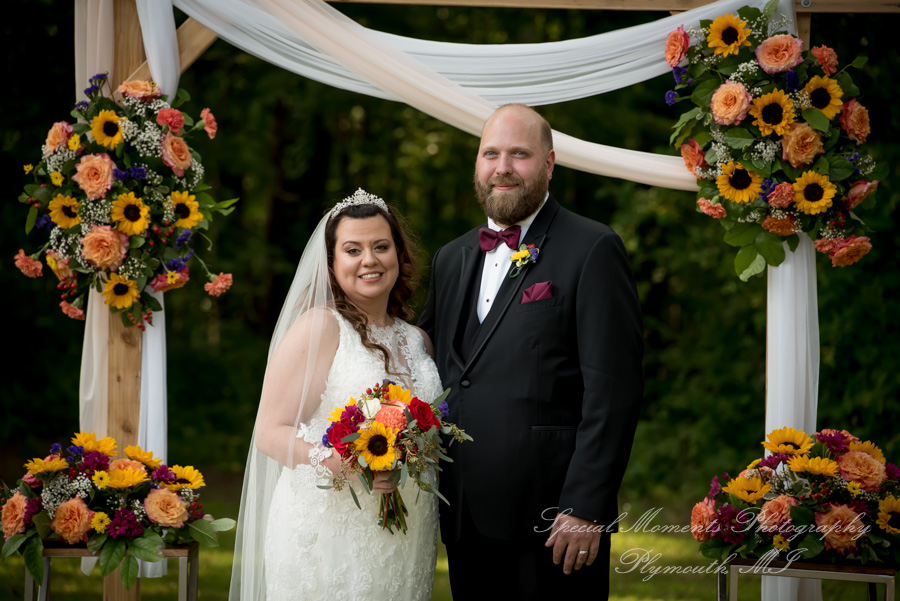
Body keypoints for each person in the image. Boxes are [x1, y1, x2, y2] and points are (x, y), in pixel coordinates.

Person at [419, 104, 643, 599]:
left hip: (554, 522)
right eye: (491, 154)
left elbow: (614, 390)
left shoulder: (593, 248)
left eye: (519, 154)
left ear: (549, 163)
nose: (502, 168)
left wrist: (586, 505)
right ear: (477, 164)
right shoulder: (451, 258)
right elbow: (429, 363)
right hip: (464, 516)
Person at [229, 190, 442, 601]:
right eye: (353, 250)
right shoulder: (320, 328)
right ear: (331, 263)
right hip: (330, 532)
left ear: (399, 255)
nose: (369, 260)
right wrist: (348, 464)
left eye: (381, 246)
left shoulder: (418, 341)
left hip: (410, 528)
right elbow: (270, 432)